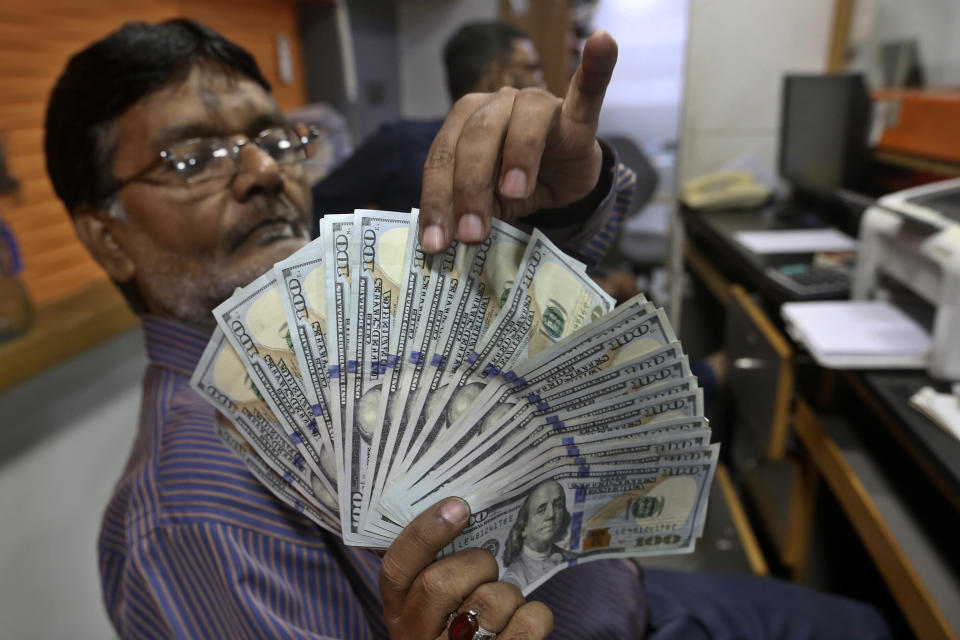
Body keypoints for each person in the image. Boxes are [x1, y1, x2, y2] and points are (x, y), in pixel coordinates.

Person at [45, 18, 892, 640]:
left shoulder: (345, 321)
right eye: (194, 158)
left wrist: (560, 207)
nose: (267, 171)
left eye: (273, 136)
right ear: (105, 237)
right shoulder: (190, 519)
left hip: (639, 602)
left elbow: (514, 337)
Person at [310, 21, 547, 234]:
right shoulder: (401, 143)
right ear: (498, 78)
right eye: (532, 68)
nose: (542, 83)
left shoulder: (539, 156)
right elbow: (318, 207)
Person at [502, 480, 578, 589]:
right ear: (523, 527)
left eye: (557, 505)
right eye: (541, 510)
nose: (551, 514)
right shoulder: (513, 579)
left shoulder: (573, 559)